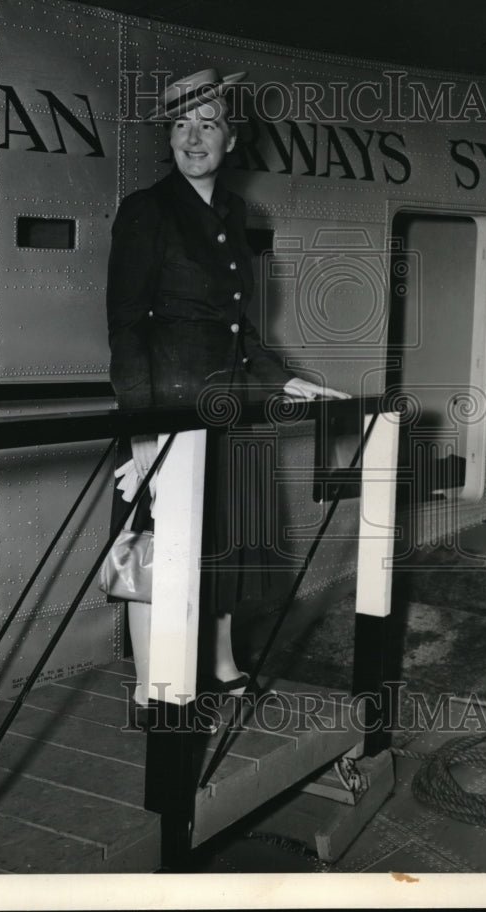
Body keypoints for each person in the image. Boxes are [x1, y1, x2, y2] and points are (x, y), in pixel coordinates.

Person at [106, 68, 349, 724]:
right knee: (156, 549)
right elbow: (126, 329)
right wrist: (143, 438)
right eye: (181, 124)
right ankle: (150, 690)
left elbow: (238, 326)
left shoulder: (232, 213)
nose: (193, 137)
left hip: (229, 410)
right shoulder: (148, 210)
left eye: (207, 124)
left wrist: (284, 378)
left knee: (220, 542)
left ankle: (216, 665)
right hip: (170, 413)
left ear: (229, 138)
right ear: (168, 136)